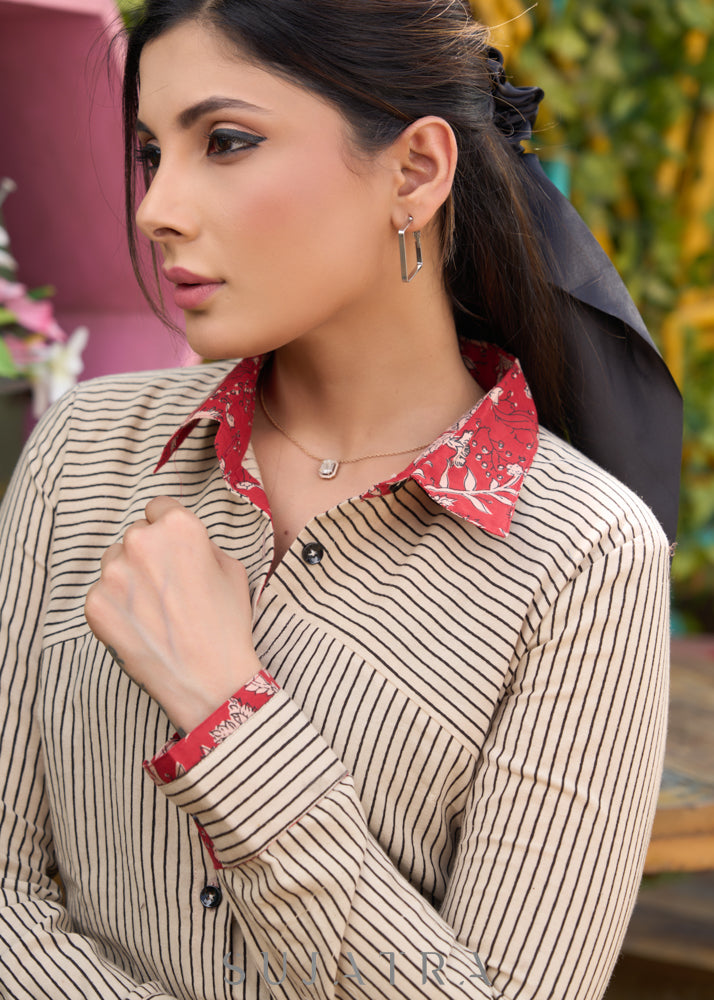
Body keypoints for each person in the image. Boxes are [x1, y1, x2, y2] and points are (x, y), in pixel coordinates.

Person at [0, 1, 679, 998]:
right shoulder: (85, 452)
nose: (154, 207)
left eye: (225, 141)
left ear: (415, 171)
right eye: (152, 151)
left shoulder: (581, 556)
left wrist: (229, 713)